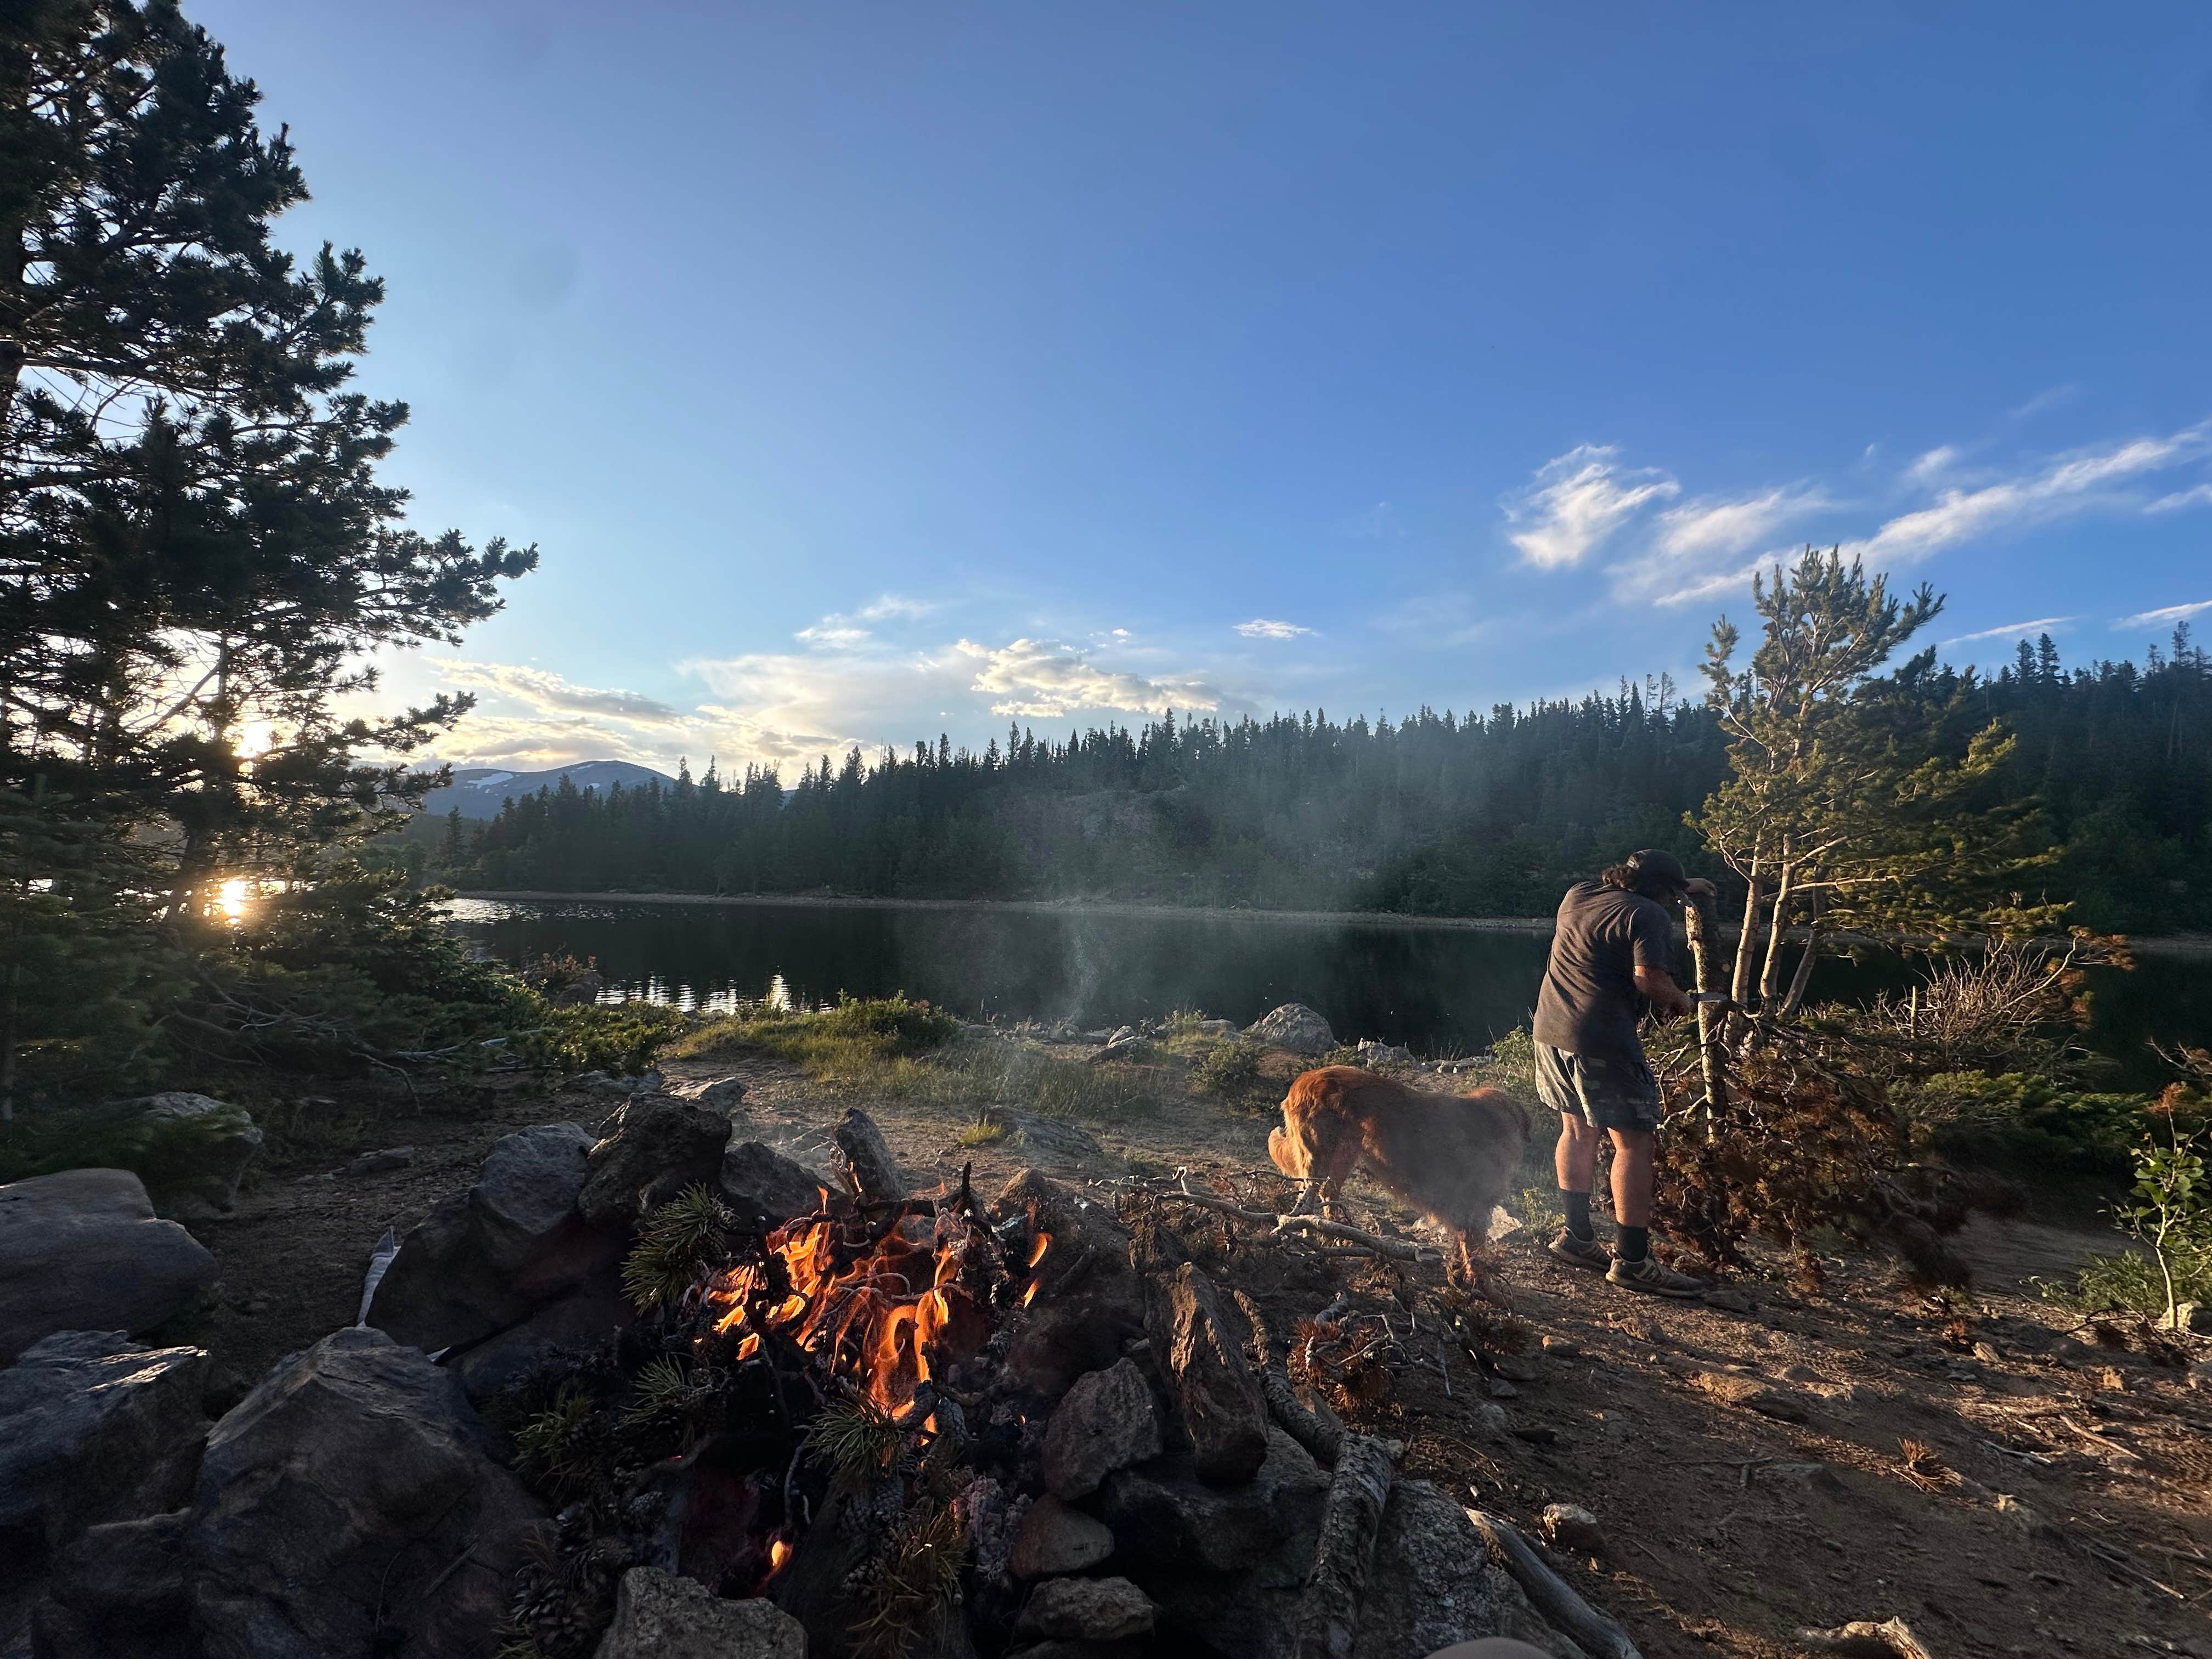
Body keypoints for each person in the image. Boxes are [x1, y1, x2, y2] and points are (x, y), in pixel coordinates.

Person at [1531, 848, 1714, 1297]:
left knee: (1576, 1130)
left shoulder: (1580, 894)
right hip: (1603, 1040)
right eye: (1672, 896)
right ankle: (1633, 1261)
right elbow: (1649, 978)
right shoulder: (1649, 914)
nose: (1673, 904)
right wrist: (1684, 1001)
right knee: (1633, 1142)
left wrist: (1687, 887)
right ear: (1658, 891)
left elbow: (1639, 889)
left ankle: (1576, 1237)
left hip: (1550, 1030)